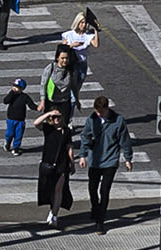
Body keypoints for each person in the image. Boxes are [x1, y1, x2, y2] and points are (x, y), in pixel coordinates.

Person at [80, 95, 134, 233]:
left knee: (104, 191)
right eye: (96, 111)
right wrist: (82, 155)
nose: (98, 114)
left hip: (110, 160)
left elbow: (124, 140)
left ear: (107, 108)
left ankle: (100, 221)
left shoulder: (118, 121)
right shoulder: (92, 119)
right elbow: (85, 136)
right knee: (92, 188)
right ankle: (95, 208)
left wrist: (128, 158)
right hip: (95, 160)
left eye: (101, 111)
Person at [34, 102, 77, 227]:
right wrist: (48, 113)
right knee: (50, 189)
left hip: (62, 164)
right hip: (48, 162)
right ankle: (52, 210)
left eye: (58, 117)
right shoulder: (48, 128)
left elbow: (69, 147)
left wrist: (72, 163)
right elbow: (36, 123)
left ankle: (54, 214)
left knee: (58, 189)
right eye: (54, 117)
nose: (56, 119)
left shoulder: (66, 131)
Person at [4, 77, 34, 155]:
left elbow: (31, 105)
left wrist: (38, 108)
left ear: (21, 89)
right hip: (11, 119)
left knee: (18, 135)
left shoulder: (25, 97)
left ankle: (16, 148)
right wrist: (11, 93)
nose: (14, 87)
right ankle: (7, 143)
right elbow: (5, 101)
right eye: (14, 86)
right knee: (9, 134)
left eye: (16, 86)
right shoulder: (11, 95)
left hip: (20, 120)